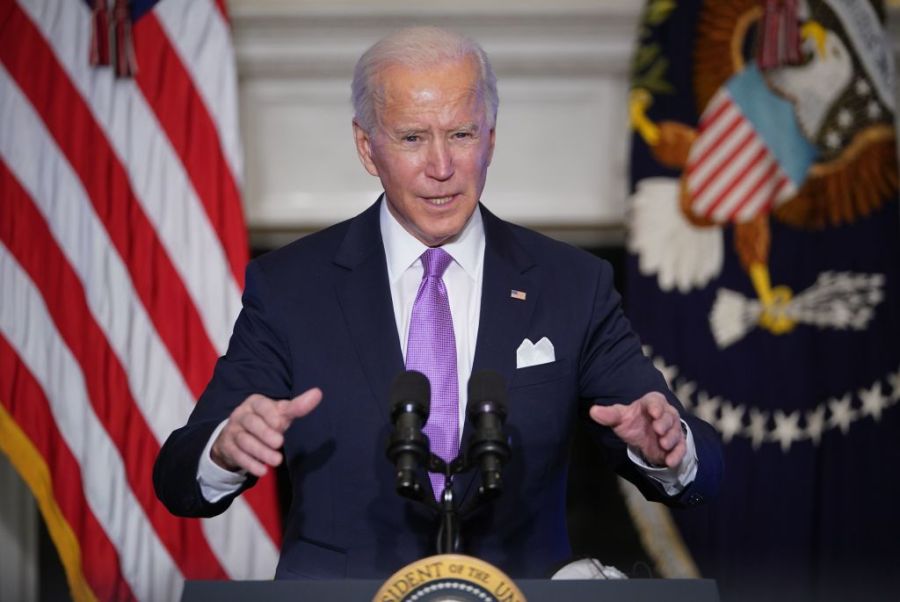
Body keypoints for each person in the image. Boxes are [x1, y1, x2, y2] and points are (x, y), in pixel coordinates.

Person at [153, 26, 723, 580]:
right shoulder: (291, 287)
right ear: (366, 146)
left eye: (461, 135)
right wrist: (224, 449)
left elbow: (703, 469)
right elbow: (178, 477)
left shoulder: (572, 283)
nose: (441, 167)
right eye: (410, 138)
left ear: (491, 139)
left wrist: (665, 450)